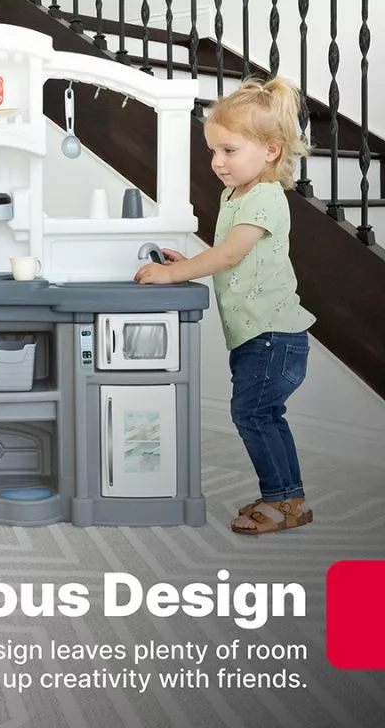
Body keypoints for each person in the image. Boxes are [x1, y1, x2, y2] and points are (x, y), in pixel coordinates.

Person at [134, 77, 316, 535]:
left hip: (274, 336)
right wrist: (189, 261)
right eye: (214, 151)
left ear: (271, 151)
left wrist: (178, 273)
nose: (217, 162)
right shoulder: (235, 195)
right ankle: (285, 493)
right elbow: (233, 253)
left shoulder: (266, 196)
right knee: (260, 414)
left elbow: (230, 255)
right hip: (257, 334)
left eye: (229, 151)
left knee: (253, 414)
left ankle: (284, 499)